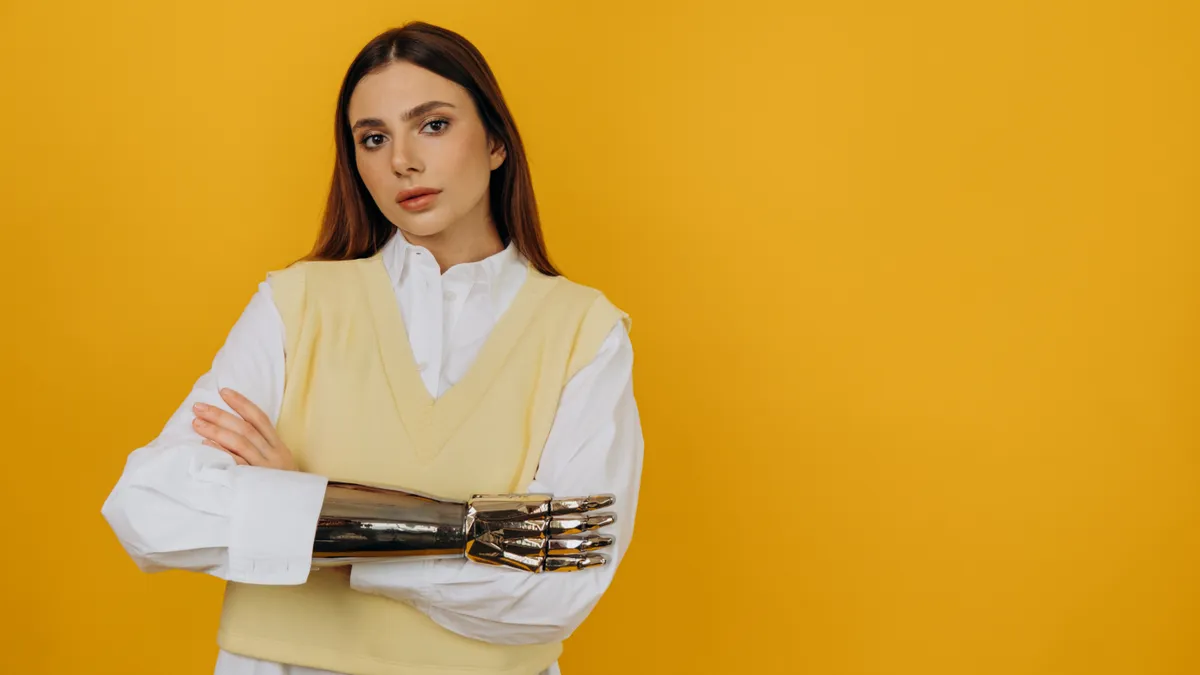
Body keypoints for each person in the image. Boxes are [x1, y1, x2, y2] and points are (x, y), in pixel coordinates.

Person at [100, 21, 643, 675]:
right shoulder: (297, 304)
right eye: (374, 138)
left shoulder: (584, 330)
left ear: (497, 140)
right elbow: (148, 504)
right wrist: (468, 534)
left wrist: (314, 514)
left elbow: (561, 582)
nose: (402, 161)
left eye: (433, 125)